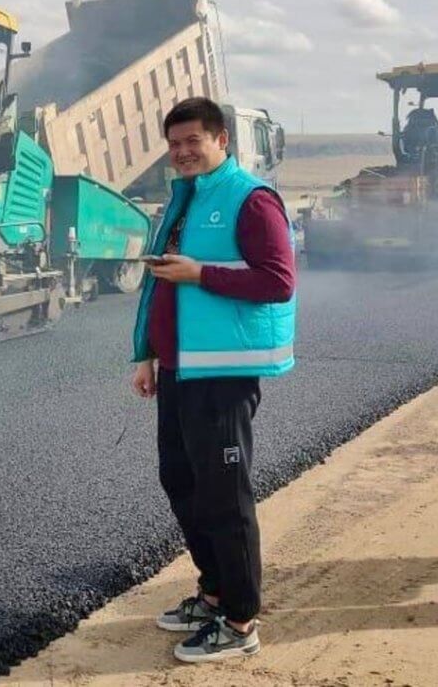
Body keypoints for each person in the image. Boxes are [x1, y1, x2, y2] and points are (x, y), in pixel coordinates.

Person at [129, 96, 296, 664]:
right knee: (181, 480)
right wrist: (146, 353)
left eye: (193, 141)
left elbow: (278, 280)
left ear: (222, 140)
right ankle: (214, 590)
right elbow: (158, 285)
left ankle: (241, 619)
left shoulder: (251, 199)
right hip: (179, 367)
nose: (182, 153)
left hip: (223, 373)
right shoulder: (183, 201)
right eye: (174, 145)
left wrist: (201, 273)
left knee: (226, 497)